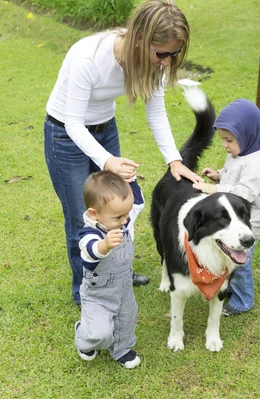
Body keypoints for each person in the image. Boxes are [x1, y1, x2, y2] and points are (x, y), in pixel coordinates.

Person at [44, 0, 202, 305]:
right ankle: (86, 291)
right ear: (140, 39)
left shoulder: (152, 61)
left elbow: (156, 112)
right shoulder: (88, 57)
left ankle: (119, 272)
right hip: (64, 134)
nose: (167, 63)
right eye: (162, 54)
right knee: (84, 216)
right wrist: (107, 160)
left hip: (105, 129)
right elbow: (73, 122)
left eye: (174, 54)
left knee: (120, 208)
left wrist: (174, 159)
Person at [192, 99, 260, 316]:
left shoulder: (255, 165)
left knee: (241, 262)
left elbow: (244, 193)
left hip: (248, 225)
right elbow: (233, 173)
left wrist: (213, 188)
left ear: (247, 135)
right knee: (233, 258)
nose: (224, 145)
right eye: (223, 140)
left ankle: (243, 301)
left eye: (229, 140)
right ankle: (232, 288)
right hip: (236, 222)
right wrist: (219, 174)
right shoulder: (239, 153)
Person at [75, 170, 144, 369]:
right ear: (94, 214)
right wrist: (104, 245)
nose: (125, 220)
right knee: (100, 333)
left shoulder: (121, 218)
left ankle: (122, 349)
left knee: (127, 319)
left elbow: (137, 204)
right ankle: (84, 334)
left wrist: (132, 181)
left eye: (126, 214)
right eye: (118, 217)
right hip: (98, 294)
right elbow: (90, 251)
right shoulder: (90, 233)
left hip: (123, 289)